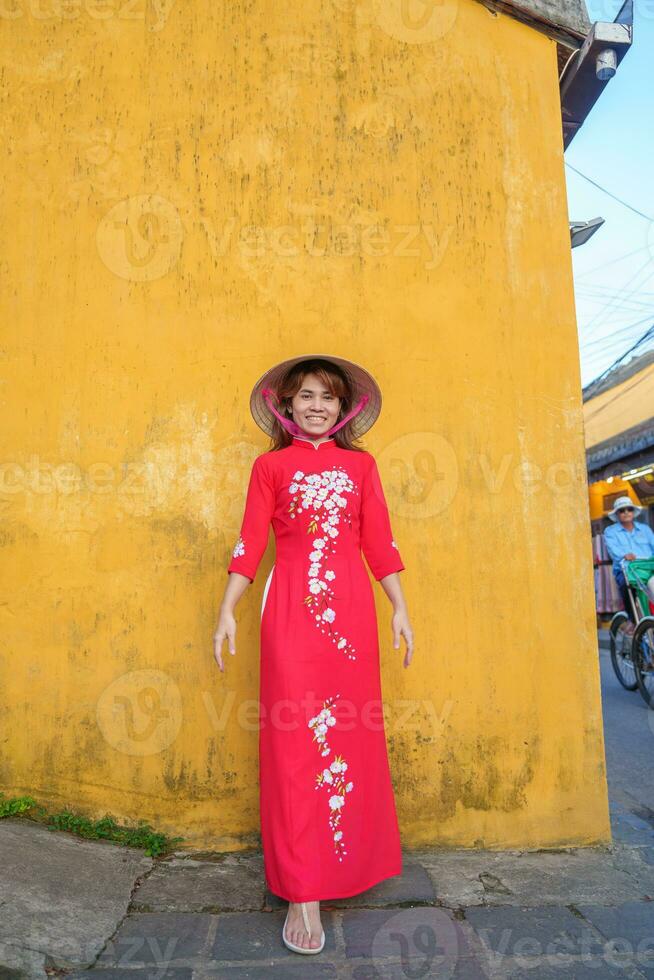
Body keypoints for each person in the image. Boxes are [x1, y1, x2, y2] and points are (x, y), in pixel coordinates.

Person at [213, 354, 414, 956]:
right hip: (292, 613)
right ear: (286, 406)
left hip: (352, 618)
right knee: (295, 741)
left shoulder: (362, 466)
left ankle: (344, 866)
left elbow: (379, 540)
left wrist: (400, 606)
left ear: (344, 408)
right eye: (305, 396)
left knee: (351, 739)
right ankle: (303, 889)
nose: (317, 406)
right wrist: (227, 607)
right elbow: (251, 542)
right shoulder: (269, 467)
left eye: (327, 397)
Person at [603, 495, 654, 635]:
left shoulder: (645, 529)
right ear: (617, 514)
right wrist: (624, 555)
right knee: (628, 588)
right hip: (627, 570)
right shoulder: (611, 532)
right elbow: (614, 551)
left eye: (629, 509)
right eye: (621, 510)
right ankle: (632, 620)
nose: (626, 512)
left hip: (649, 569)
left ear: (633, 512)